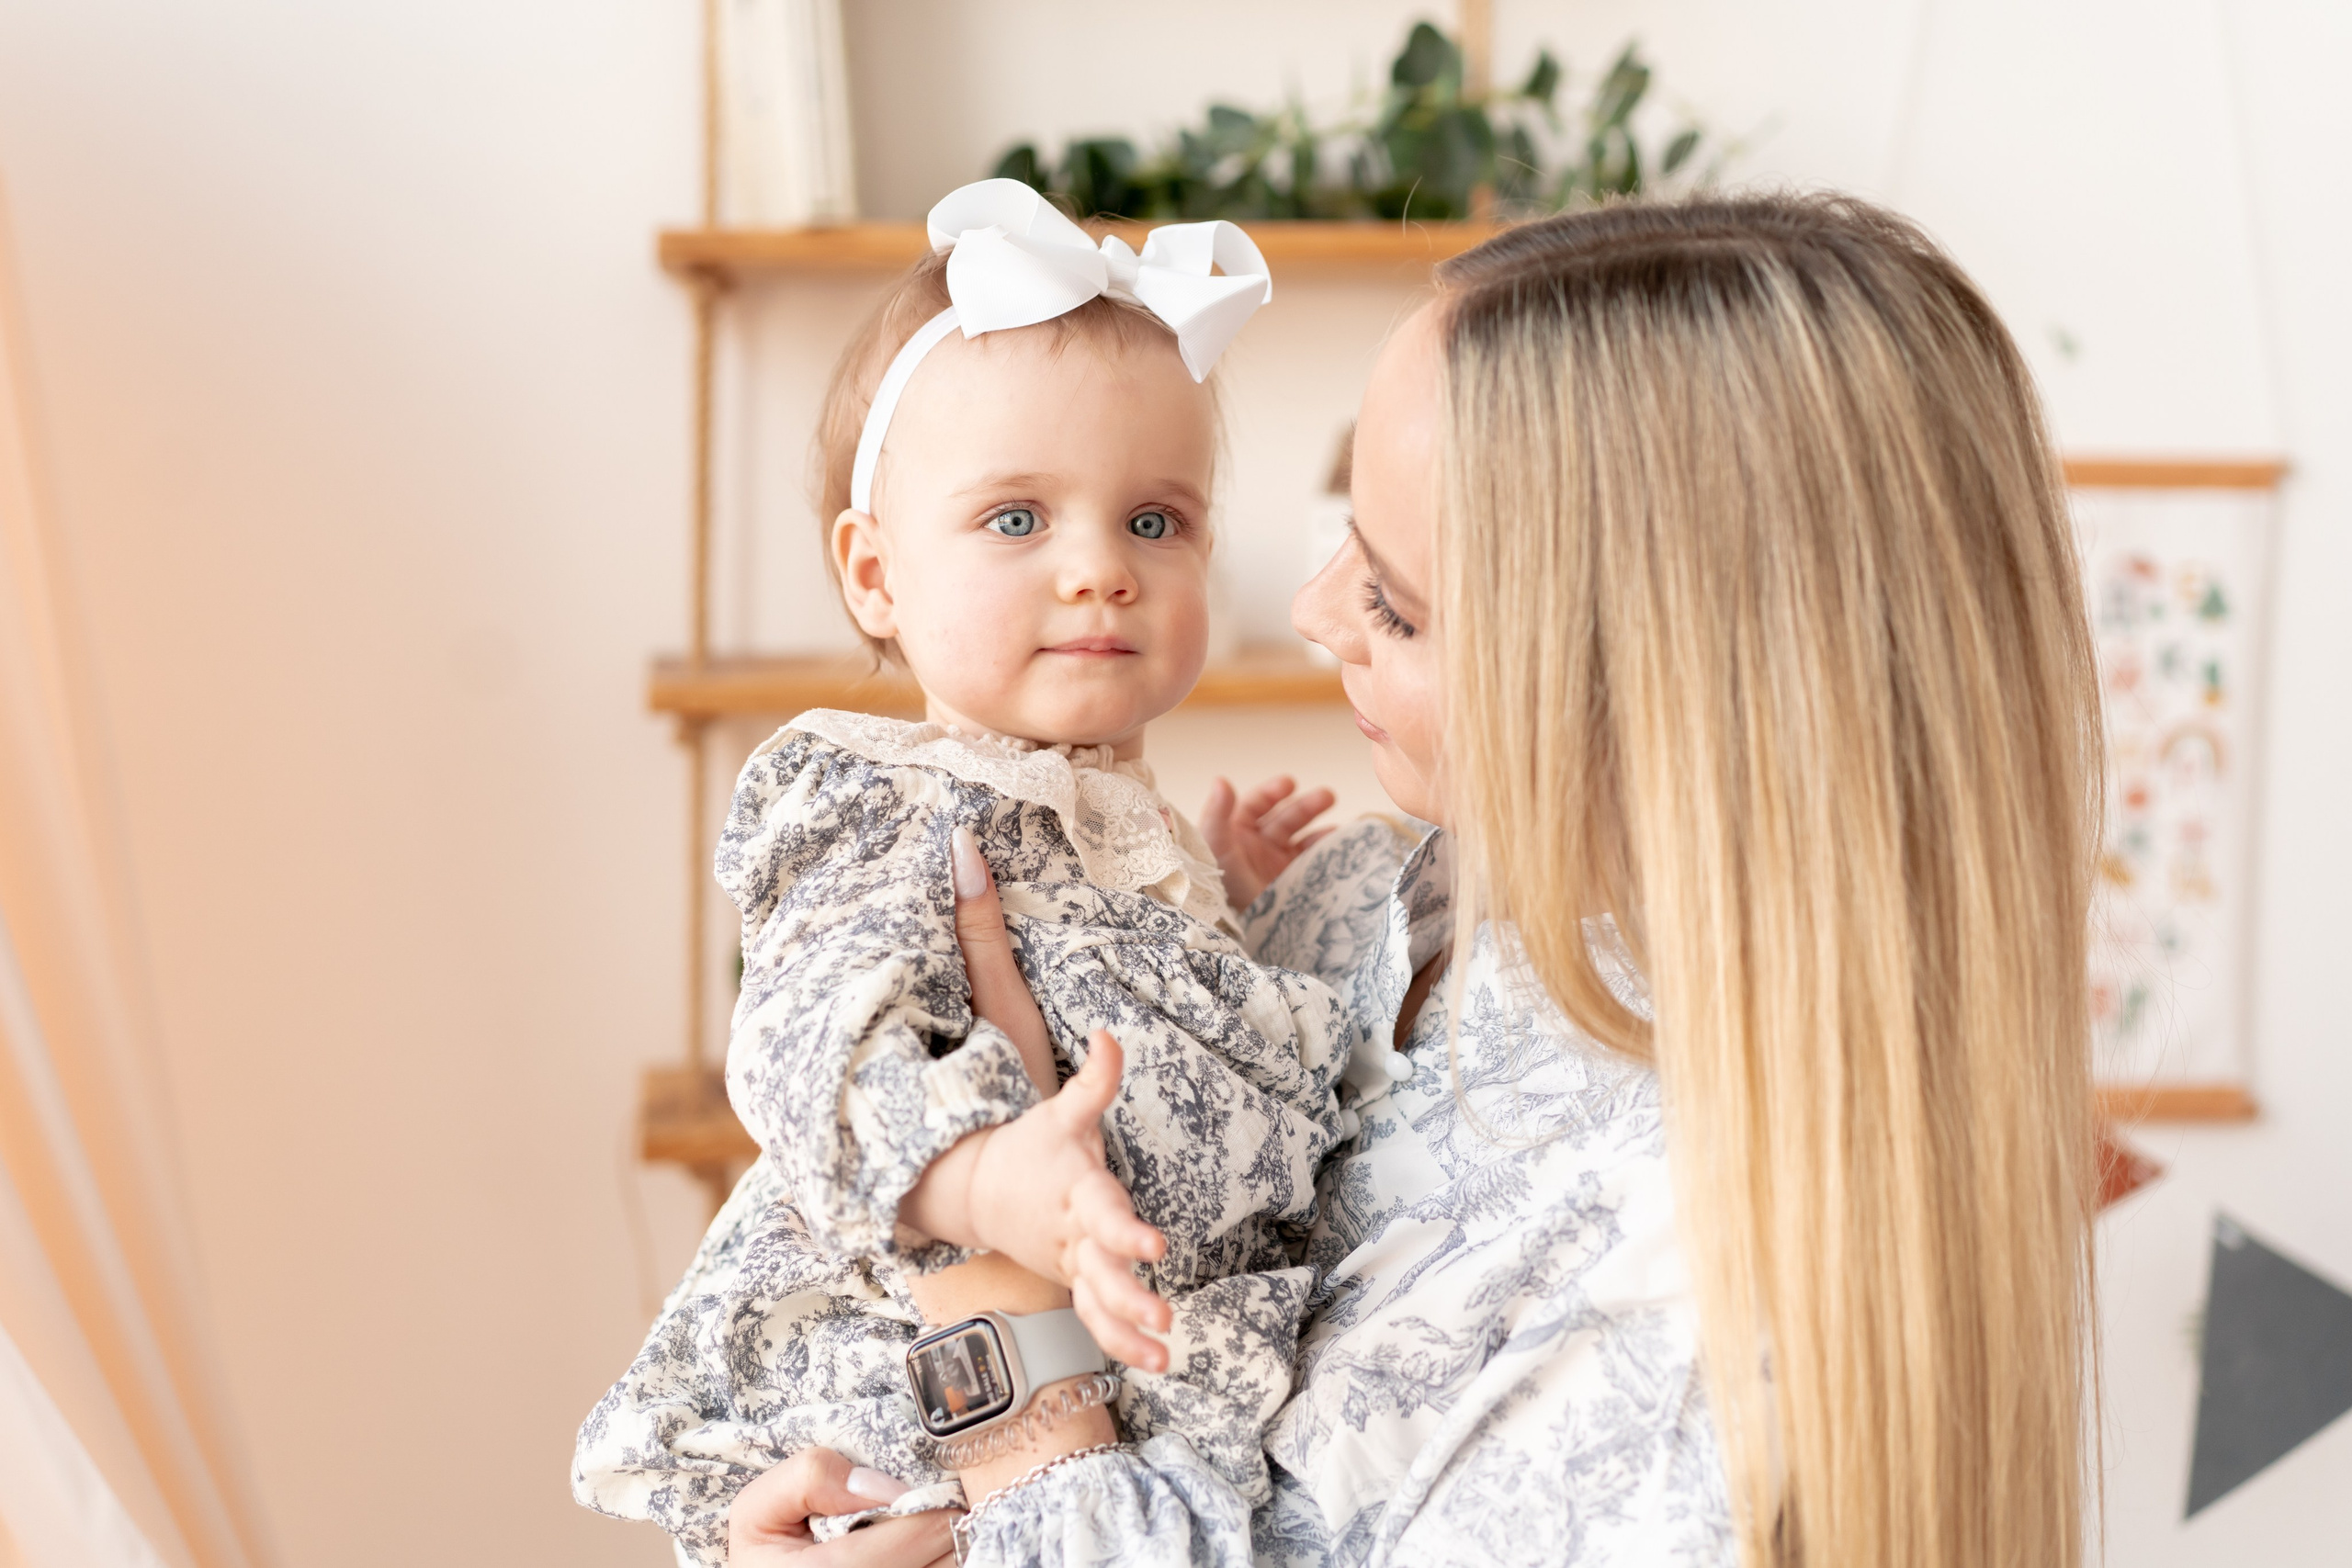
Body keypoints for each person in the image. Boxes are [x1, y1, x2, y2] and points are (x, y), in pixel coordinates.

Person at [719, 192, 2103, 1568]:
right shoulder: (1348, 905)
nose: (1314, 613)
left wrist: (1005, 1339)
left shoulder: (1702, 1275)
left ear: (1654, 684)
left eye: (1392, 598)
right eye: (1341, 540)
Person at [575, 178, 1396, 1567]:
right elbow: (804, 1043)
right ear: (874, 575)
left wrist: (1223, 904)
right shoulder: (884, 803)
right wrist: (976, 1179)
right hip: (910, 1395)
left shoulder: (1117, 831)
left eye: (1155, 521)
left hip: (1124, 1422)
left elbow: (1123, 1017)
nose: (1100, 571)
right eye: (1018, 520)